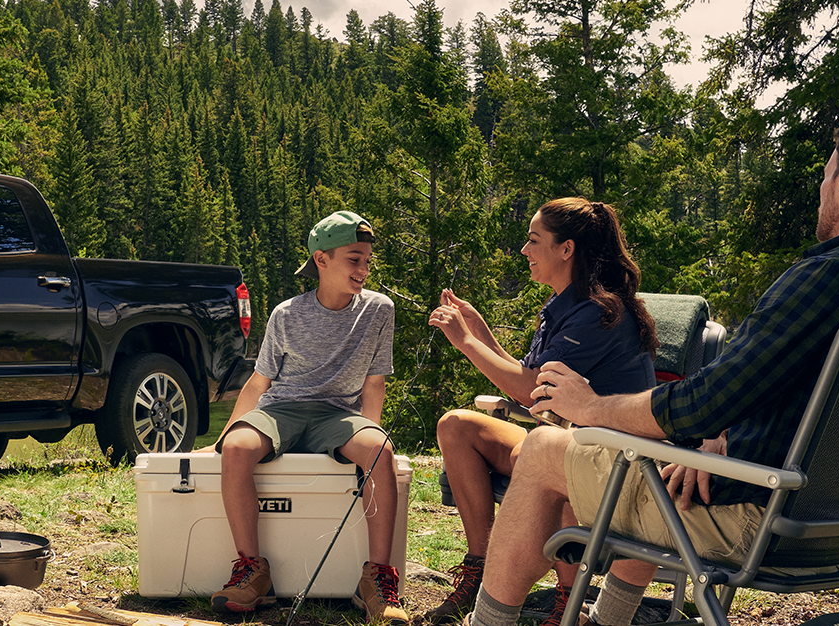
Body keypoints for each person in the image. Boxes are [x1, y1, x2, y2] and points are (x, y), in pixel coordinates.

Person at [457, 117, 839, 626]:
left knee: (550, 451)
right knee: (660, 464)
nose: (824, 189)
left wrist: (590, 406)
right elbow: (781, 391)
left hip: (755, 518)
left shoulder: (824, 279)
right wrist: (722, 438)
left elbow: (701, 402)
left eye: (826, 176)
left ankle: (488, 622)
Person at [421, 198, 659, 626]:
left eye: (533, 241)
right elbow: (532, 379)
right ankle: (479, 566)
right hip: (562, 437)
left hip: (612, 456)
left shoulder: (599, 313)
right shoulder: (564, 305)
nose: (525, 251)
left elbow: (531, 391)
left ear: (565, 249)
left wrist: (465, 342)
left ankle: (570, 601)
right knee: (456, 426)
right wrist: (482, 334)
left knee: (559, 463)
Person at [204, 210, 404, 624]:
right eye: (354, 259)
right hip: (282, 410)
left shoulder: (379, 310)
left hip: (338, 414)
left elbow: (373, 383)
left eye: (367, 260)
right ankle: (252, 572)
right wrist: (224, 437)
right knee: (238, 449)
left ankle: (377, 582)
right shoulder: (287, 314)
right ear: (321, 260)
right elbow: (259, 385)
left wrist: (370, 434)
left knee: (380, 451)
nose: (364, 269)